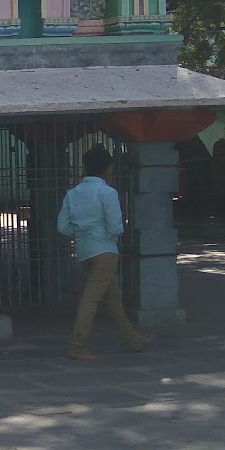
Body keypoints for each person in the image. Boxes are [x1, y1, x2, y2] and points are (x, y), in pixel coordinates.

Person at [57, 145, 153, 361]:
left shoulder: (72, 193)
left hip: (85, 251)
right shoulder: (108, 193)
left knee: (113, 299)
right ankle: (77, 345)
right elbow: (116, 228)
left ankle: (133, 339)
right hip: (105, 250)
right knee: (91, 299)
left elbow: (62, 226)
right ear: (108, 168)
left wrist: (83, 231)